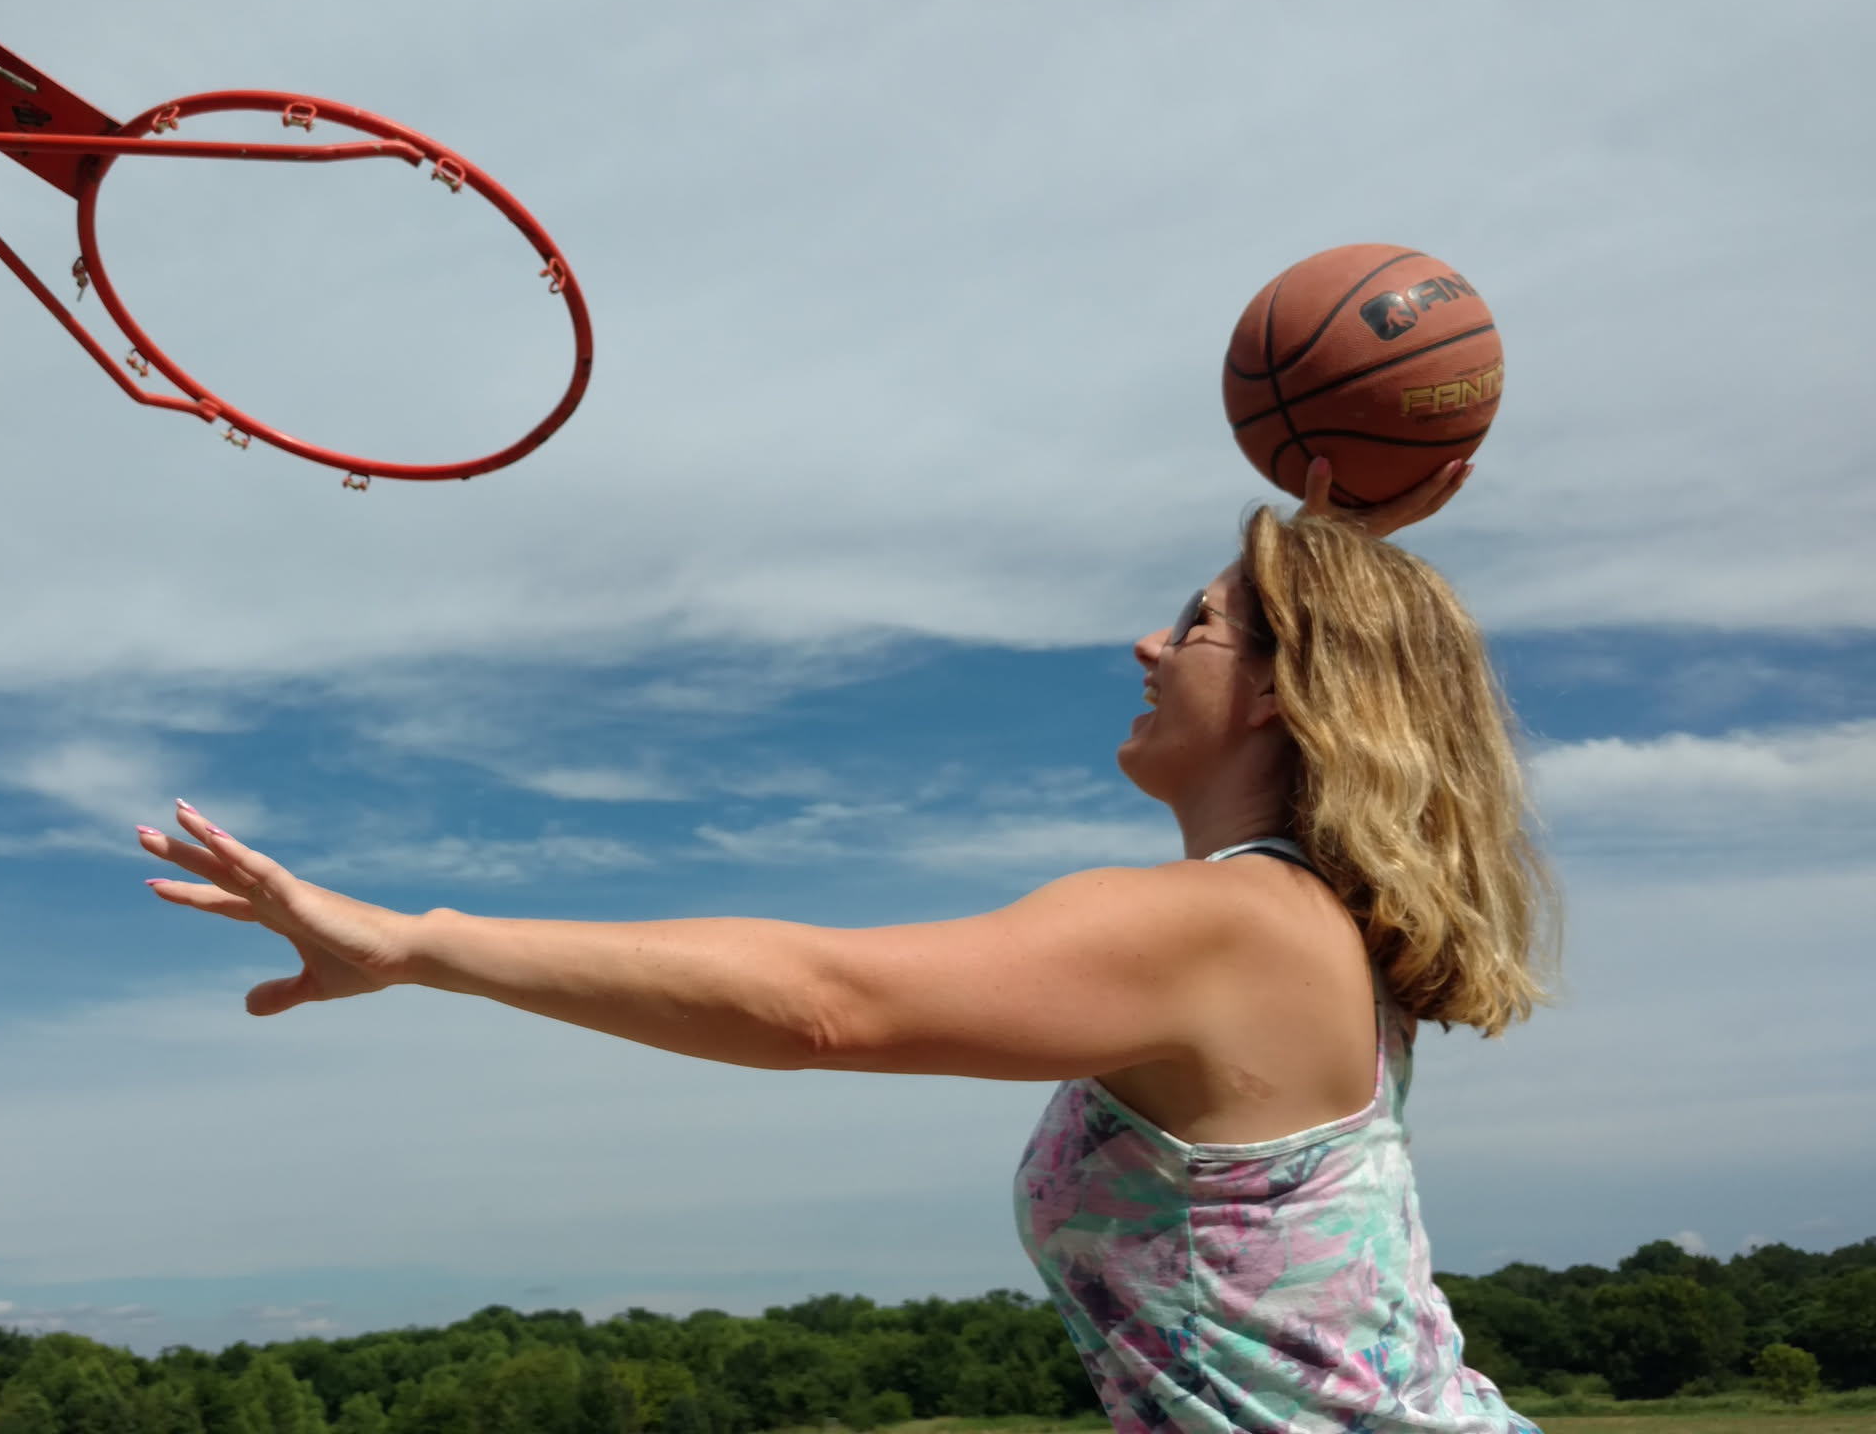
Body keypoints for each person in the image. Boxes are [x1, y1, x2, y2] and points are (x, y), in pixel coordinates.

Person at [135, 453, 1556, 1434]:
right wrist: (1327, 525)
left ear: (1282, 692)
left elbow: (819, 1004)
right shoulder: (1304, 928)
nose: (1147, 644)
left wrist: (418, 942)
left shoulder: (1226, 925)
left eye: (1195, 625)